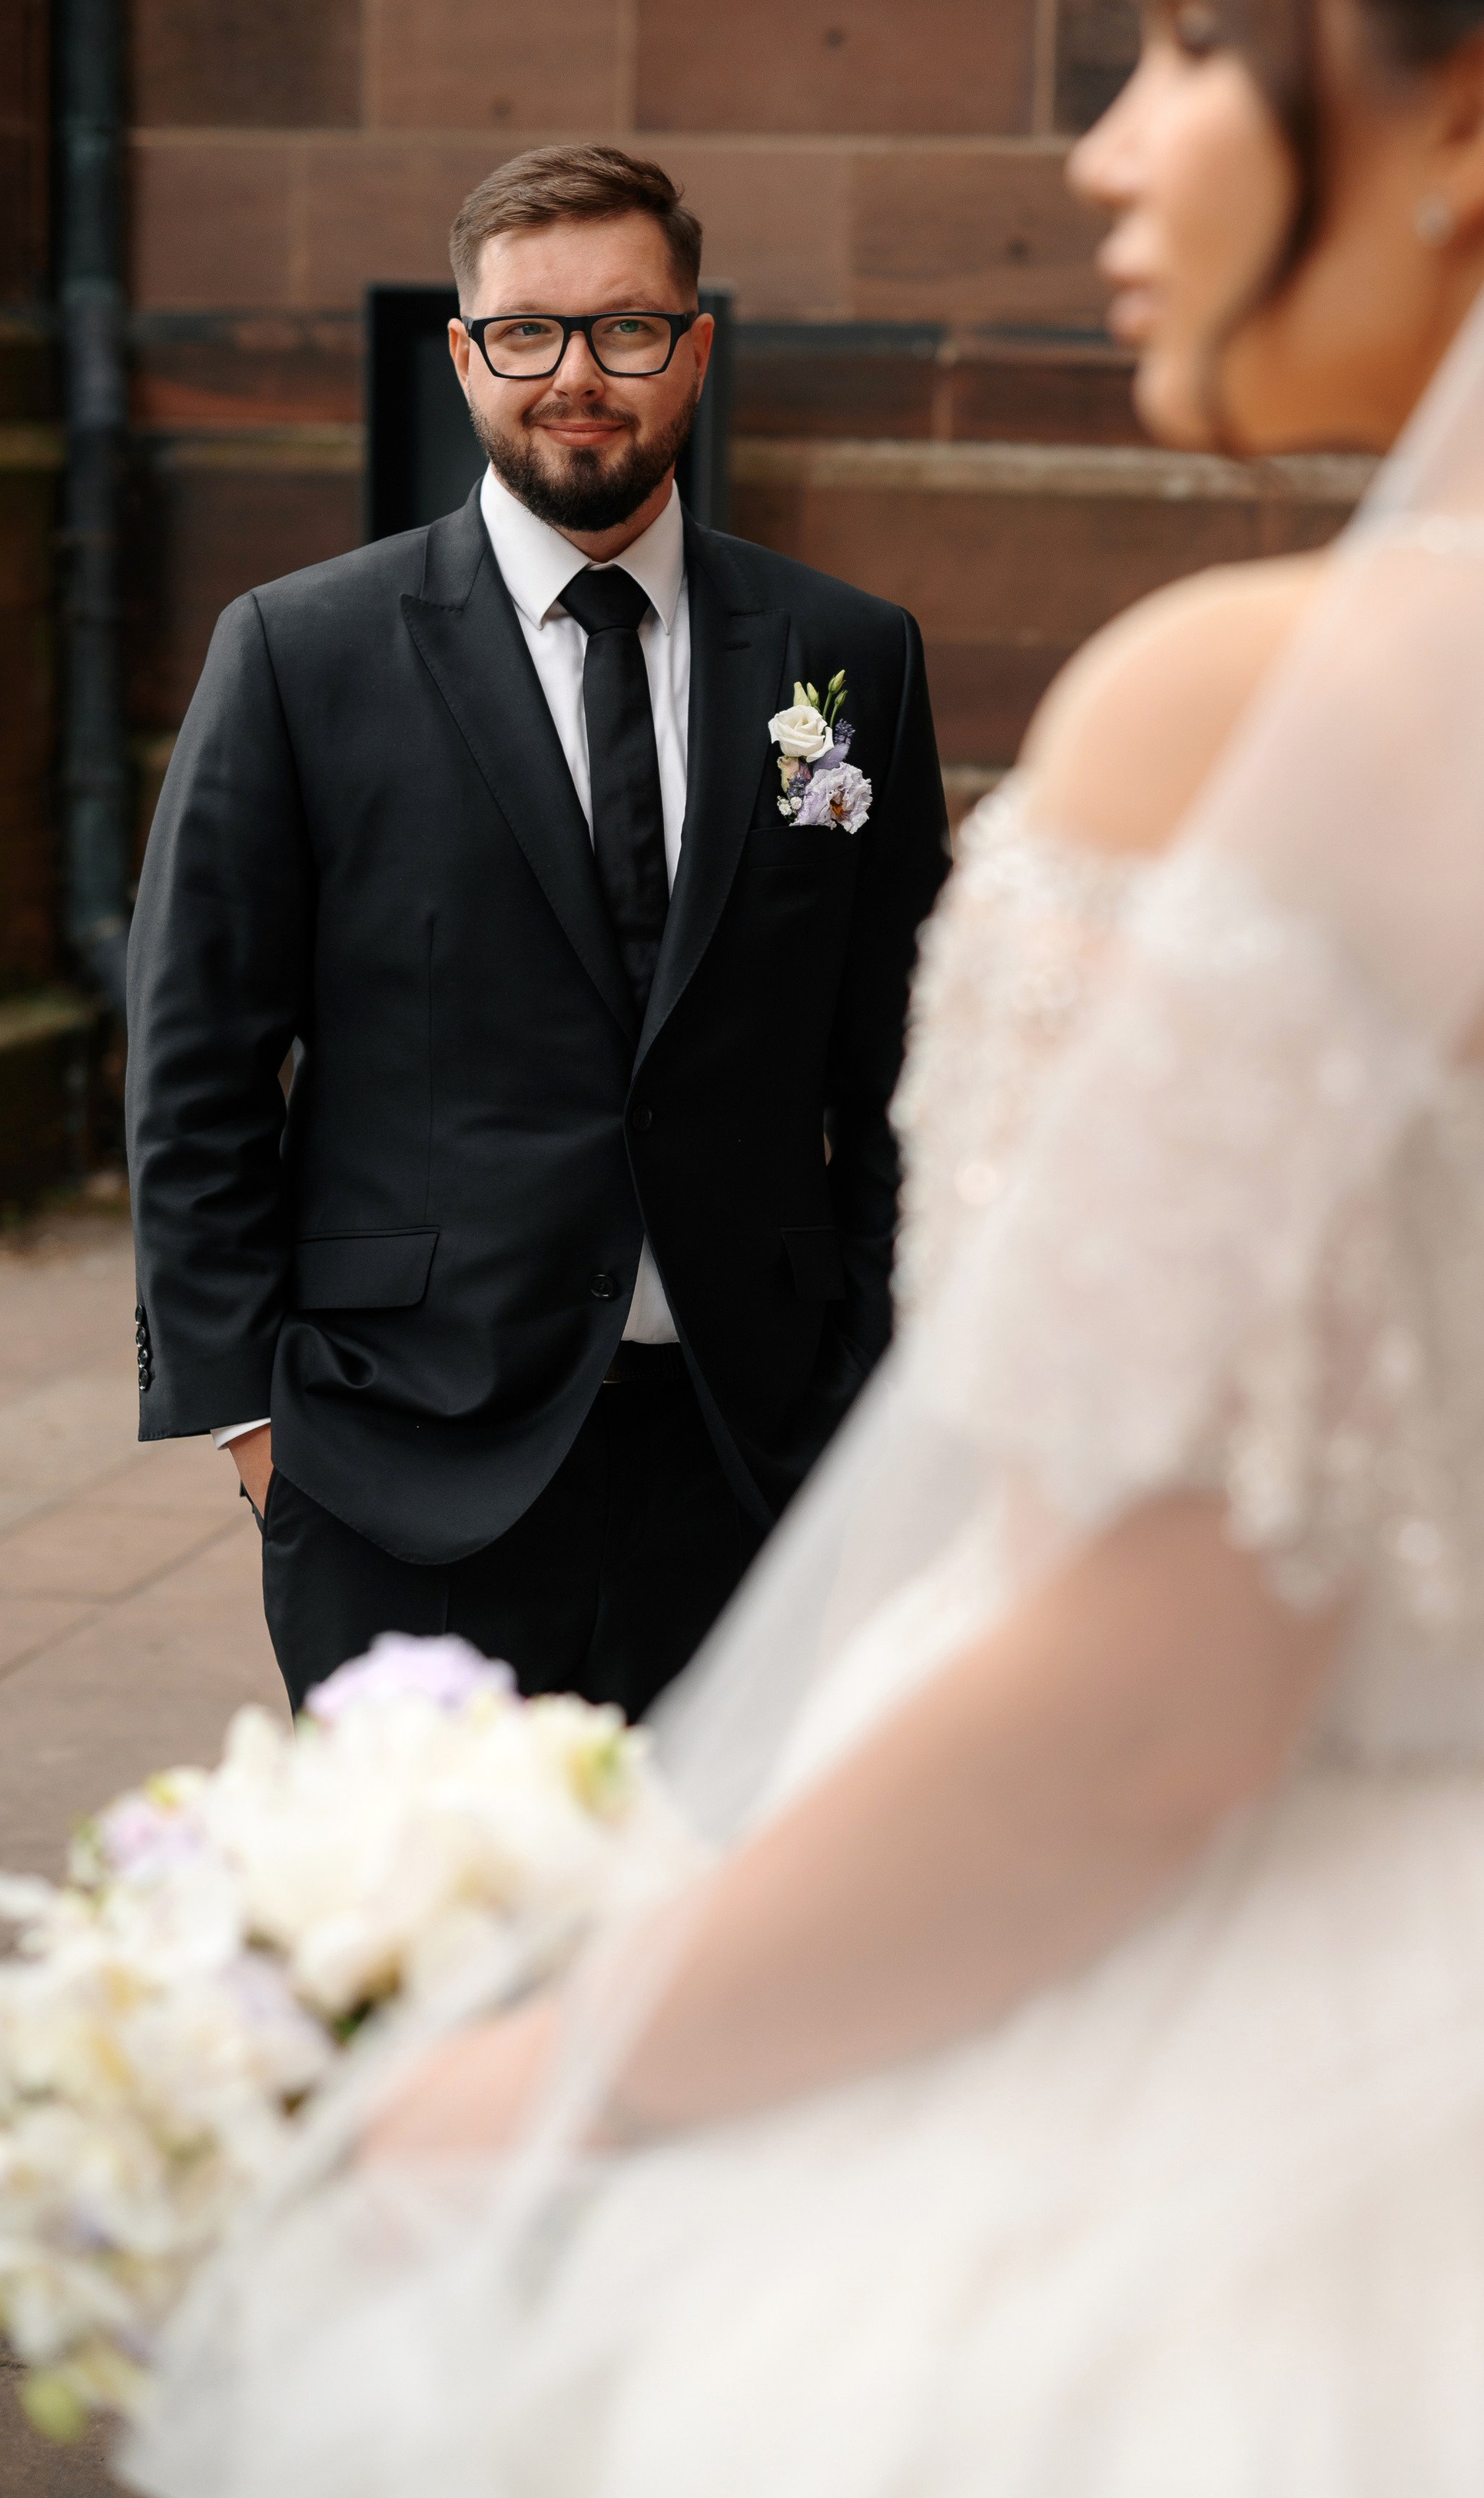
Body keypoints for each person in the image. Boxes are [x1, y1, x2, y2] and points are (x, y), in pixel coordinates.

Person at [125, 0, 1484, 2489]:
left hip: (1355, 2094)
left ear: (1480, 98)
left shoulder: (1281, 704)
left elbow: (1133, 1716)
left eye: (1204, 40)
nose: (1110, 149)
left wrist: (524, 2068)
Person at [124, 144, 948, 1716]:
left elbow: (906, 1054)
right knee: (435, 1943)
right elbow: (197, 1058)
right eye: (528, 333)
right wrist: (254, 1426)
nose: (576, 375)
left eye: (627, 329)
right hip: (401, 1457)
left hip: (752, 1446)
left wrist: (872, 1376)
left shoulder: (847, 656)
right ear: (463, 353)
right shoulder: (300, 654)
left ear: (696, 347)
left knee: (710, 1940)